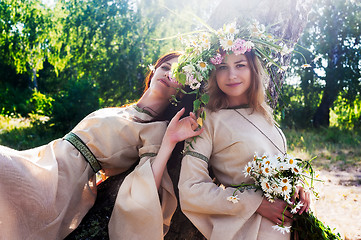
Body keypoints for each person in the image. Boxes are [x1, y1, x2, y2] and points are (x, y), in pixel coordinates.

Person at [0, 51, 202, 239]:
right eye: (165, 67)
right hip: (42, 160)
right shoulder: (122, 110)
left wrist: (169, 141)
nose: (168, 74)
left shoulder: (156, 129)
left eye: (177, 74)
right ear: (154, 70)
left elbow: (147, 182)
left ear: (182, 92)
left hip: (60, 183)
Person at [177, 49, 311, 239]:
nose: (231, 75)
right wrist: (256, 202)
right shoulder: (206, 119)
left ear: (253, 69)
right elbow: (190, 190)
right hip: (250, 231)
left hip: (291, 229)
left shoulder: (264, 114)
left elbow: (278, 164)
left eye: (240, 65)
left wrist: (297, 187)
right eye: (223, 67)